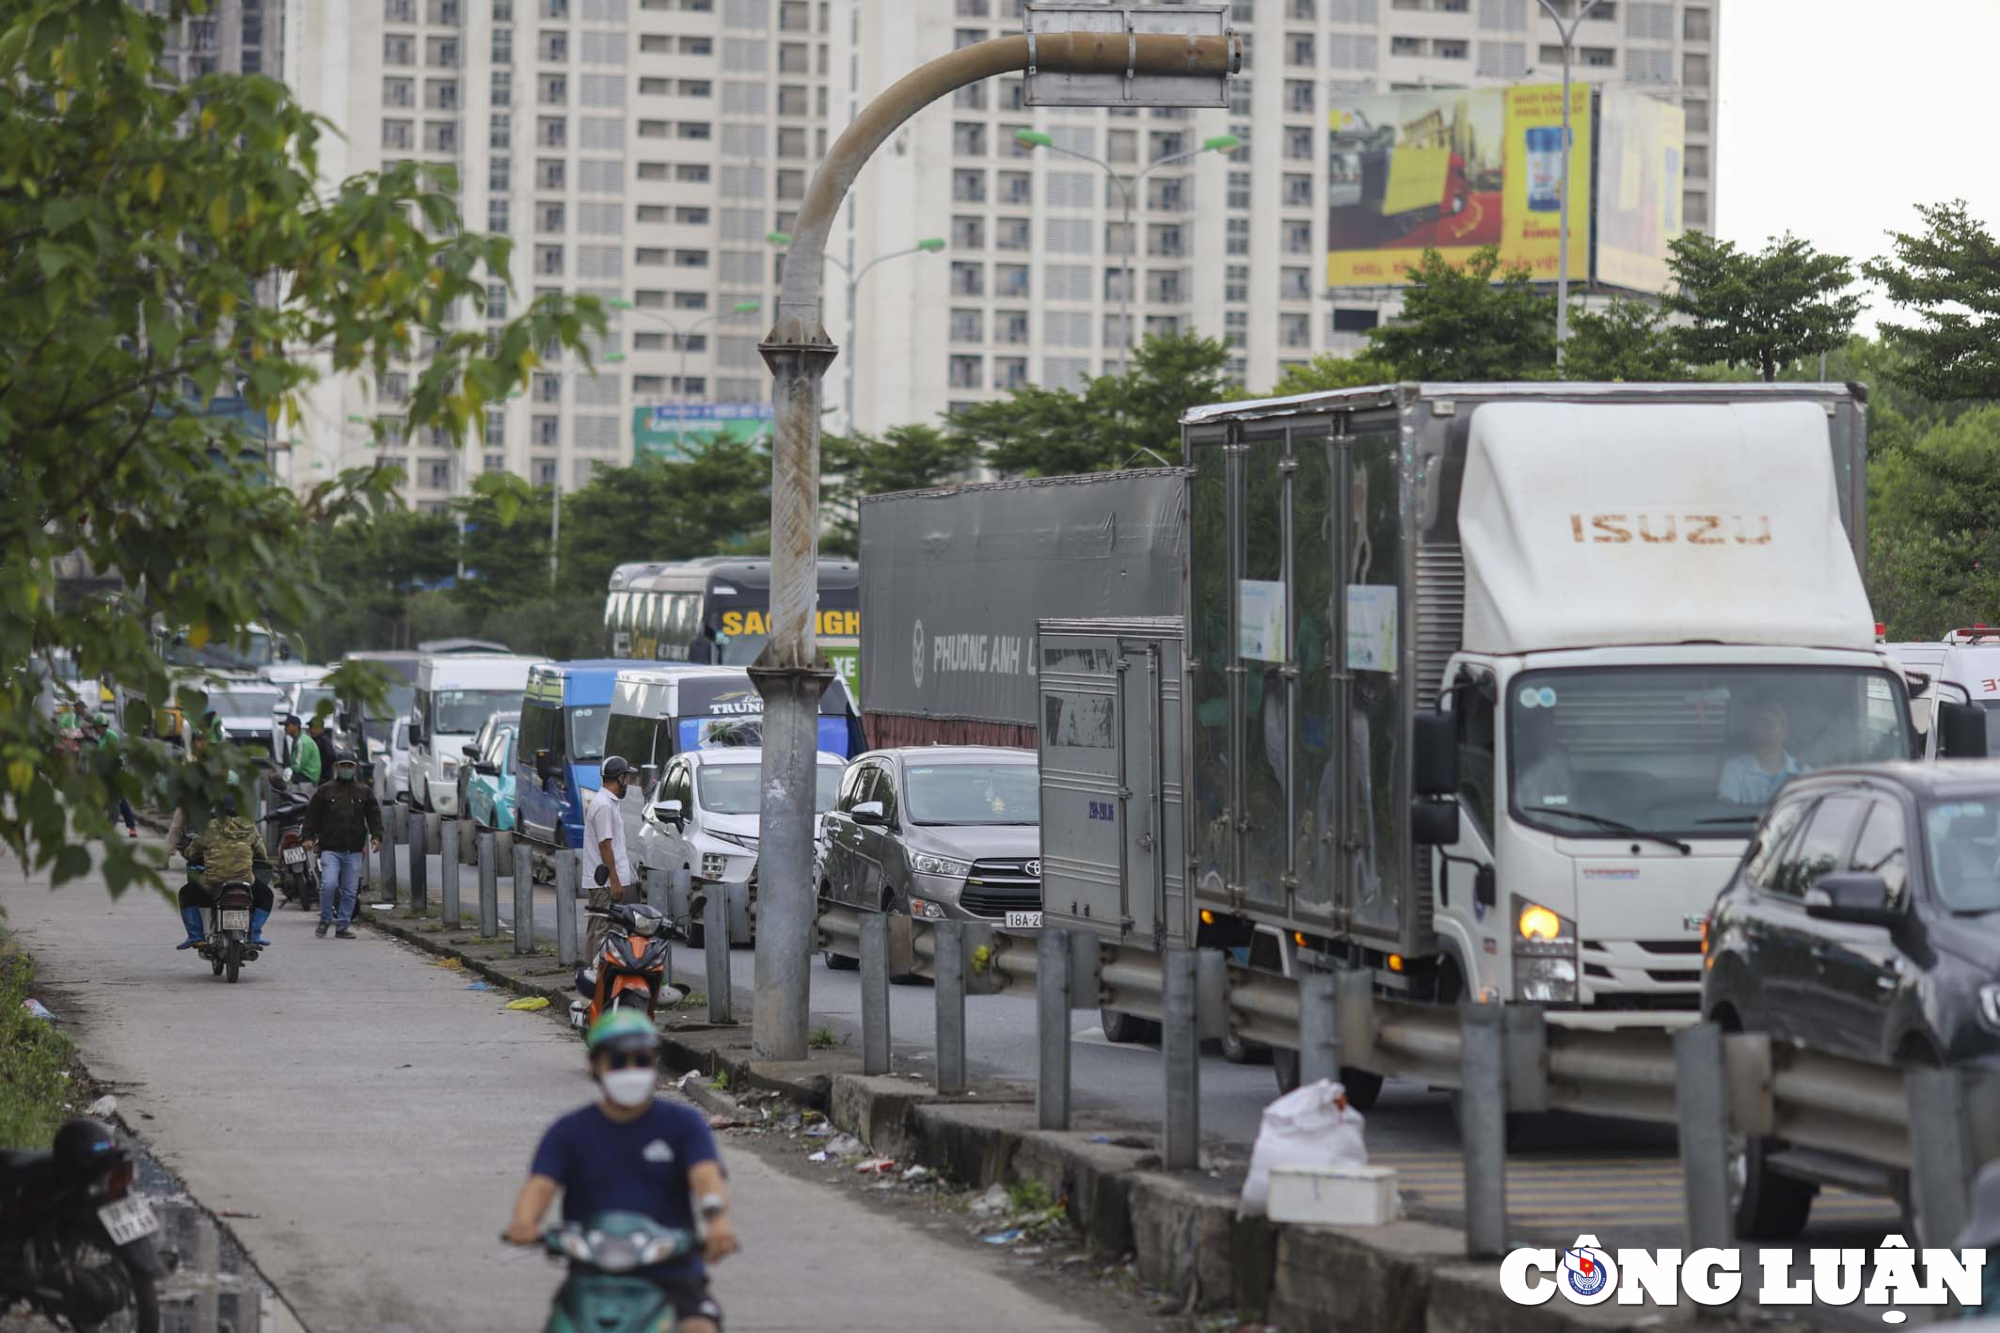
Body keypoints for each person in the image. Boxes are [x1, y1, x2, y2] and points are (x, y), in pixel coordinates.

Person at [505, 1010, 736, 1333]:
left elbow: (706, 1177)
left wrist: (718, 1222)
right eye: (617, 1061)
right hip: (590, 1273)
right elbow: (540, 1186)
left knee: (698, 1328)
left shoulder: (684, 1124)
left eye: (640, 1061)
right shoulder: (569, 1131)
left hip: (671, 1272)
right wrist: (524, 1222)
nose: (630, 1070)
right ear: (594, 1067)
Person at [302, 750, 383, 939]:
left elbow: (374, 817)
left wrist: (376, 837)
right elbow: (312, 816)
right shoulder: (325, 791)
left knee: (350, 891)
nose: (346, 769)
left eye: (349, 766)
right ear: (336, 767)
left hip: (354, 850)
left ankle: (342, 926)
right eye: (343, 766)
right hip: (330, 849)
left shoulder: (364, 792)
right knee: (328, 885)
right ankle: (325, 919)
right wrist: (308, 837)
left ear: (355, 768)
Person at [177, 794, 275, 948]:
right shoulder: (250, 827)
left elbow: (191, 852)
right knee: (266, 895)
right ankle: (254, 934)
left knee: (186, 893)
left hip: (213, 880)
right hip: (245, 880)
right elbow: (262, 855)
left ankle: (196, 936)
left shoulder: (208, 826)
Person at [583, 755, 640, 972]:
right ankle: (596, 977)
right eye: (627, 777)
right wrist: (614, 880)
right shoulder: (604, 805)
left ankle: (591, 973)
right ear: (620, 778)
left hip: (605, 879)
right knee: (602, 930)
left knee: (599, 927)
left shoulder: (606, 803)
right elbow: (605, 845)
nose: (628, 783)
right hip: (605, 881)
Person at [1718, 701, 1802, 805]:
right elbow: (1726, 813)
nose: (1768, 723)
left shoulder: (1803, 772)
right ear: (1751, 729)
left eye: (1774, 716)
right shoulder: (1735, 769)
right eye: (1761, 719)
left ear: (1786, 730)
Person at [90, 711, 138, 838]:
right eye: (99, 727)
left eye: (103, 727)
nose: (101, 729)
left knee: (120, 800)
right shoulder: (101, 738)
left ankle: (131, 827)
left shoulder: (111, 736)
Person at [283, 714, 322, 789]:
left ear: (296, 726)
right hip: (304, 774)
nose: (285, 728)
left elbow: (298, 767)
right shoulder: (297, 740)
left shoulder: (302, 741)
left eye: (287, 725)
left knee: (282, 780)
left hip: (308, 776)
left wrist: (287, 770)